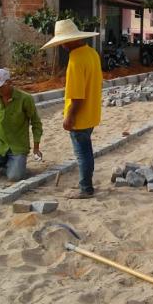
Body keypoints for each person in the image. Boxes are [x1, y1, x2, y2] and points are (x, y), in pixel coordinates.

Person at [41, 19, 102, 199]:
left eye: (64, 42)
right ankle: (87, 184)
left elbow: (76, 95)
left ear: (71, 40)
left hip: (80, 116)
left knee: (82, 153)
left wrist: (69, 116)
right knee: (86, 150)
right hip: (92, 113)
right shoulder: (92, 53)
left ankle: (86, 188)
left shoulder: (75, 59)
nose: (63, 46)